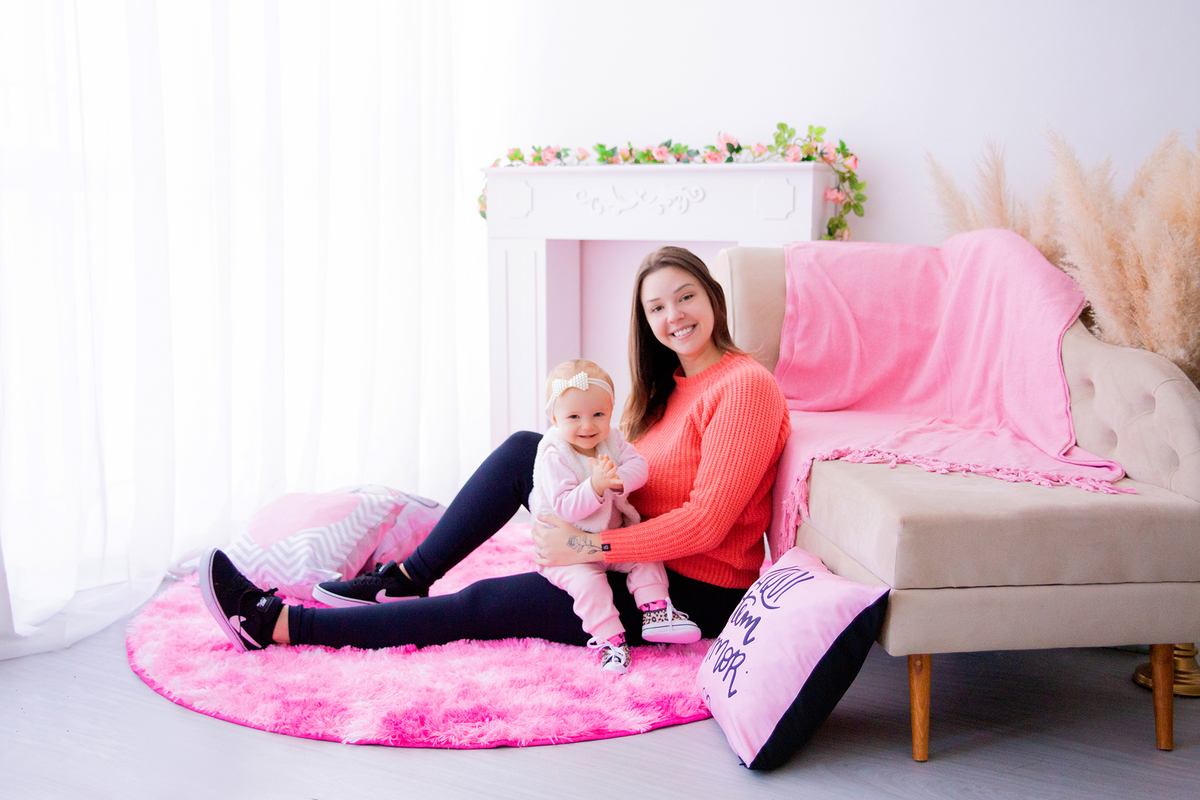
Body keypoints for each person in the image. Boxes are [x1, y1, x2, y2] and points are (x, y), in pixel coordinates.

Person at [198, 245, 791, 658]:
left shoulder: (743, 388)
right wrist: (583, 518)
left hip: (695, 591)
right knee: (526, 450)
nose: (673, 316)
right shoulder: (665, 390)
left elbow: (707, 524)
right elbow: (623, 480)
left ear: (713, 297)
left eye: (684, 297)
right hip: (633, 554)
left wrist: (585, 544)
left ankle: (279, 625)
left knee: (488, 602)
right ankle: (408, 576)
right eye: (656, 307)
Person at [530, 358, 701, 675]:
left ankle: (656, 610)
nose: (588, 425)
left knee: (646, 553)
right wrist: (595, 486)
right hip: (568, 553)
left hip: (609, 539)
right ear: (554, 417)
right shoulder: (553, 452)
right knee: (589, 587)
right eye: (574, 416)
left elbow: (640, 467)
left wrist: (619, 479)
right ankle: (610, 639)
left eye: (598, 414)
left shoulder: (613, 439)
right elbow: (566, 505)